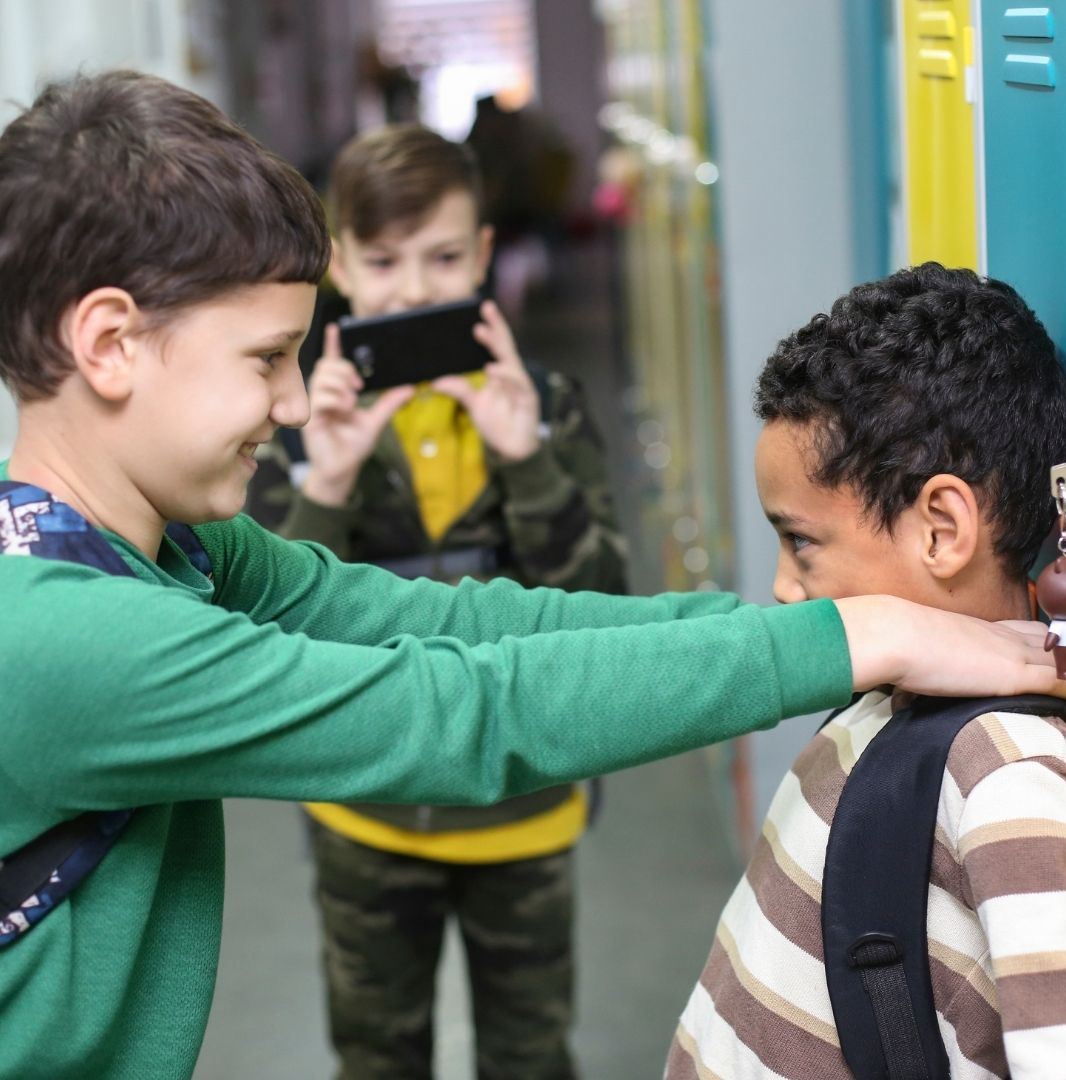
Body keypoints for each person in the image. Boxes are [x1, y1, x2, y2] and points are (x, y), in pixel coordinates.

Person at [0, 73, 1066, 1080]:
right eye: (265, 359)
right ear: (109, 342)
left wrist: (826, 626)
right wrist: (861, 635)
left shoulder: (166, 546)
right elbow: (455, 712)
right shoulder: (67, 642)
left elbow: (459, 626)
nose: (290, 403)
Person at [247, 123, 627, 1080]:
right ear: (340, 267)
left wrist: (527, 460)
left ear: (485, 254)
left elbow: (602, 609)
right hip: (366, 809)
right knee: (377, 1056)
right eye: (383, 262)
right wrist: (328, 484)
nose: (414, 289)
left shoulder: (547, 407)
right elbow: (269, 636)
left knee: (530, 1057)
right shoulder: (292, 427)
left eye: (445, 257)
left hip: (524, 800)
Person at [666, 263, 1066, 1079]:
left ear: (941, 529)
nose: (783, 587)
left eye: (802, 542)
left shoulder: (1009, 781)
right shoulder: (882, 699)